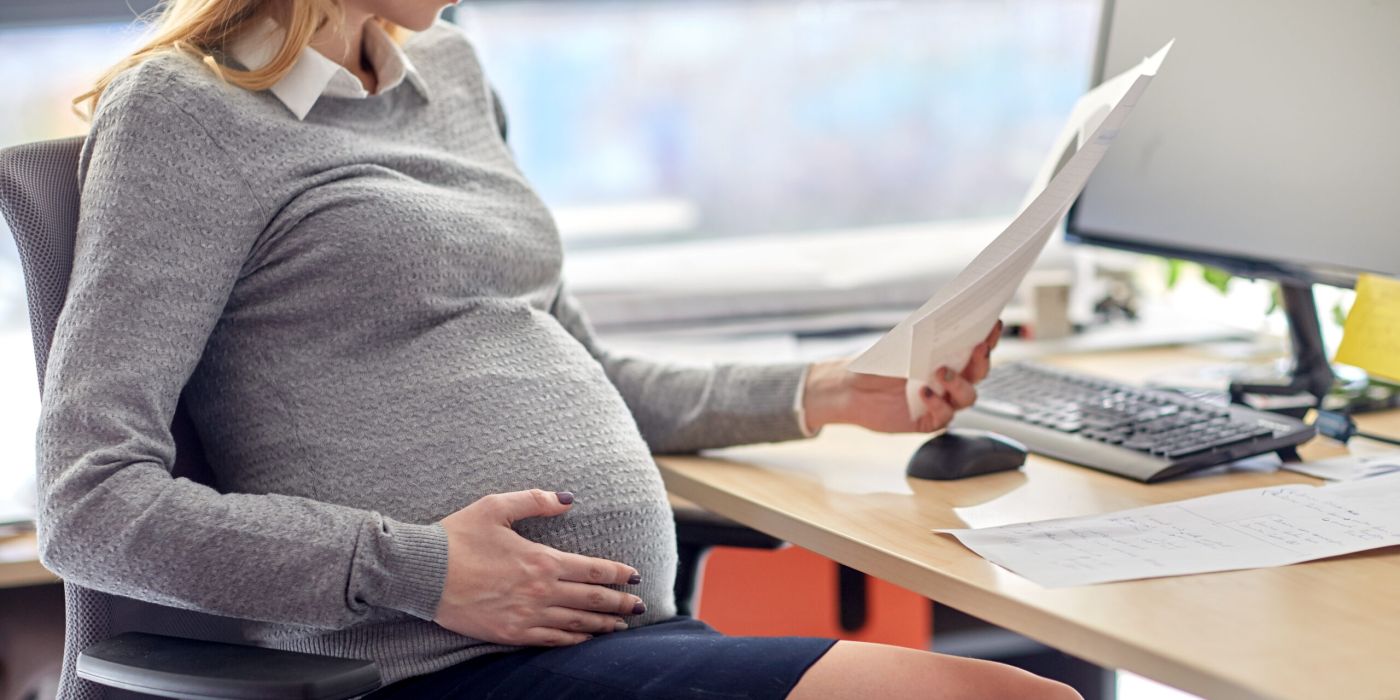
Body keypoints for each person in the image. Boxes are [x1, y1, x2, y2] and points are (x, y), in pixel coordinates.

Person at [37, 0, 1079, 697]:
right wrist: (421, 568)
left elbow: (581, 366)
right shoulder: (184, 112)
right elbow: (89, 502)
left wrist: (831, 390)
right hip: (424, 666)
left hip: (614, 640)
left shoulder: (448, 71)